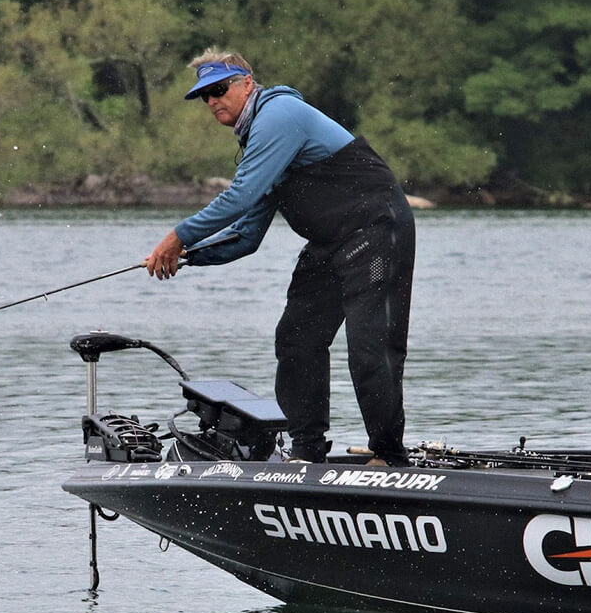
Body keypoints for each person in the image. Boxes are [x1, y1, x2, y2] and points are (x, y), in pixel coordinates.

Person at [145, 48, 415, 467]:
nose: (212, 101)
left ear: (246, 84)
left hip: (377, 229)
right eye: (204, 96)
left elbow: (240, 196)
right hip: (330, 243)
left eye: (219, 89)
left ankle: (389, 454)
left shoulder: (280, 114)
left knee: (369, 346)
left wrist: (177, 236)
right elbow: (247, 234)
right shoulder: (259, 139)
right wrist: (187, 257)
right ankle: (307, 453)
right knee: (297, 338)